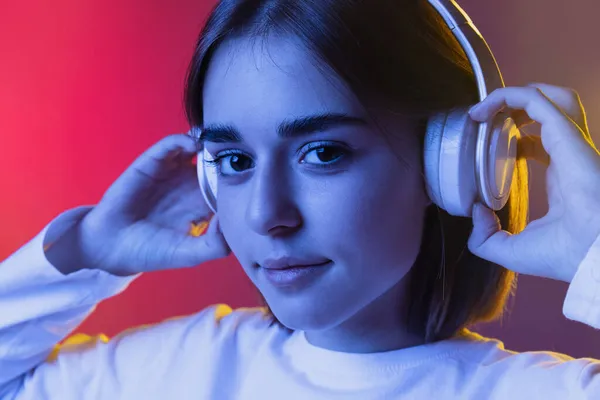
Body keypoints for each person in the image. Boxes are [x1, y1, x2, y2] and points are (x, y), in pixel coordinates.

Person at [1, 0, 599, 398]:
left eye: (322, 153)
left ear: (451, 162)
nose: (266, 216)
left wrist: (593, 254)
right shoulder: (178, 373)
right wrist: (88, 251)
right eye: (234, 162)